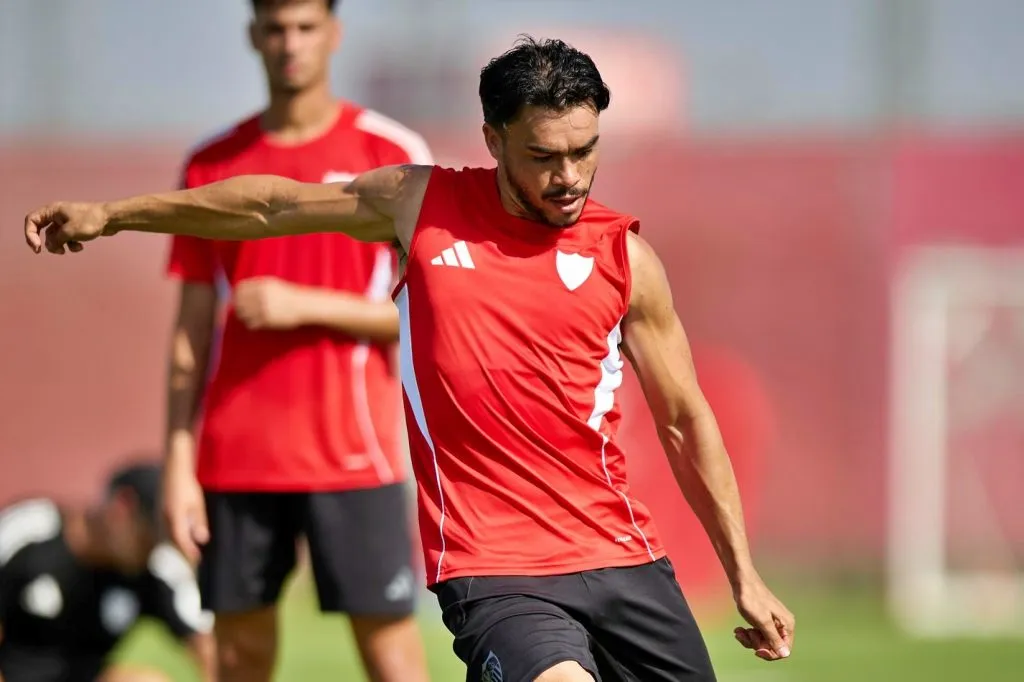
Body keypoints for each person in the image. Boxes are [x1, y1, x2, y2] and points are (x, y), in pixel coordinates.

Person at [25, 35, 796, 682]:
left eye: (584, 151)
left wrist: (743, 574)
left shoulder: (627, 258)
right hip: (497, 572)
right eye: (543, 156)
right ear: (494, 140)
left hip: (625, 556)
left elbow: (685, 421)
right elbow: (270, 205)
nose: (568, 177)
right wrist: (112, 215)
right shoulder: (418, 206)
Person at [161, 1, 432, 681]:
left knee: (393, 661)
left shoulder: (392, 157)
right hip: (237, 457)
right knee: (240, 661)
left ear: (333, 34)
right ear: (253, 34)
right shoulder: (210, 164)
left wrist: (302, 305)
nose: (291, 43)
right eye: (276, 27)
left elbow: (432, 318)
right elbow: (190, 333)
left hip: (355, 452)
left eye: (306, 27)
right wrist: (177, 460)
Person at [0, 462, 216, 682]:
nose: (152, 549)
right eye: (148, 537)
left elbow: (206, 647)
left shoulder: (154, 570)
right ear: (122, 507)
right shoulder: (31, 532)